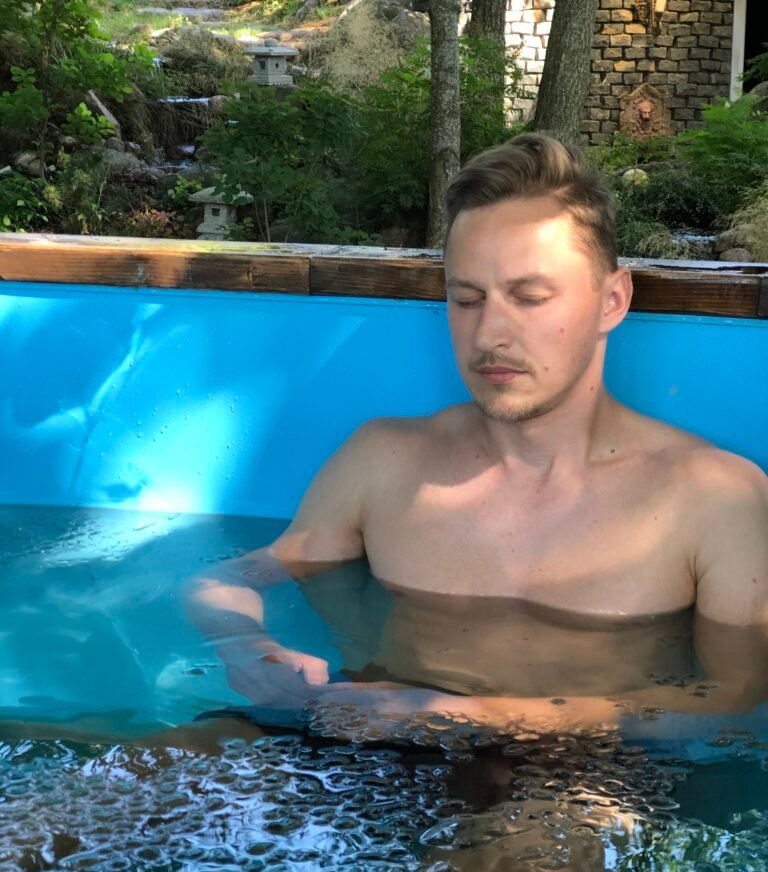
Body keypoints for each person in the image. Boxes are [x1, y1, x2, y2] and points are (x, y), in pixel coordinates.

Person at [186, 132, 768, 742]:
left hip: (583, 772)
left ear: (612, 300)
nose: (489, 333)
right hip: (366, 745)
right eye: (467, 300)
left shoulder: (712, 497)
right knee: (135, 775)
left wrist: (477, 718)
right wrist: (247, 647)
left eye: (529, 297)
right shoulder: (385, 460)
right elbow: (229, 578)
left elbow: (740, 702)